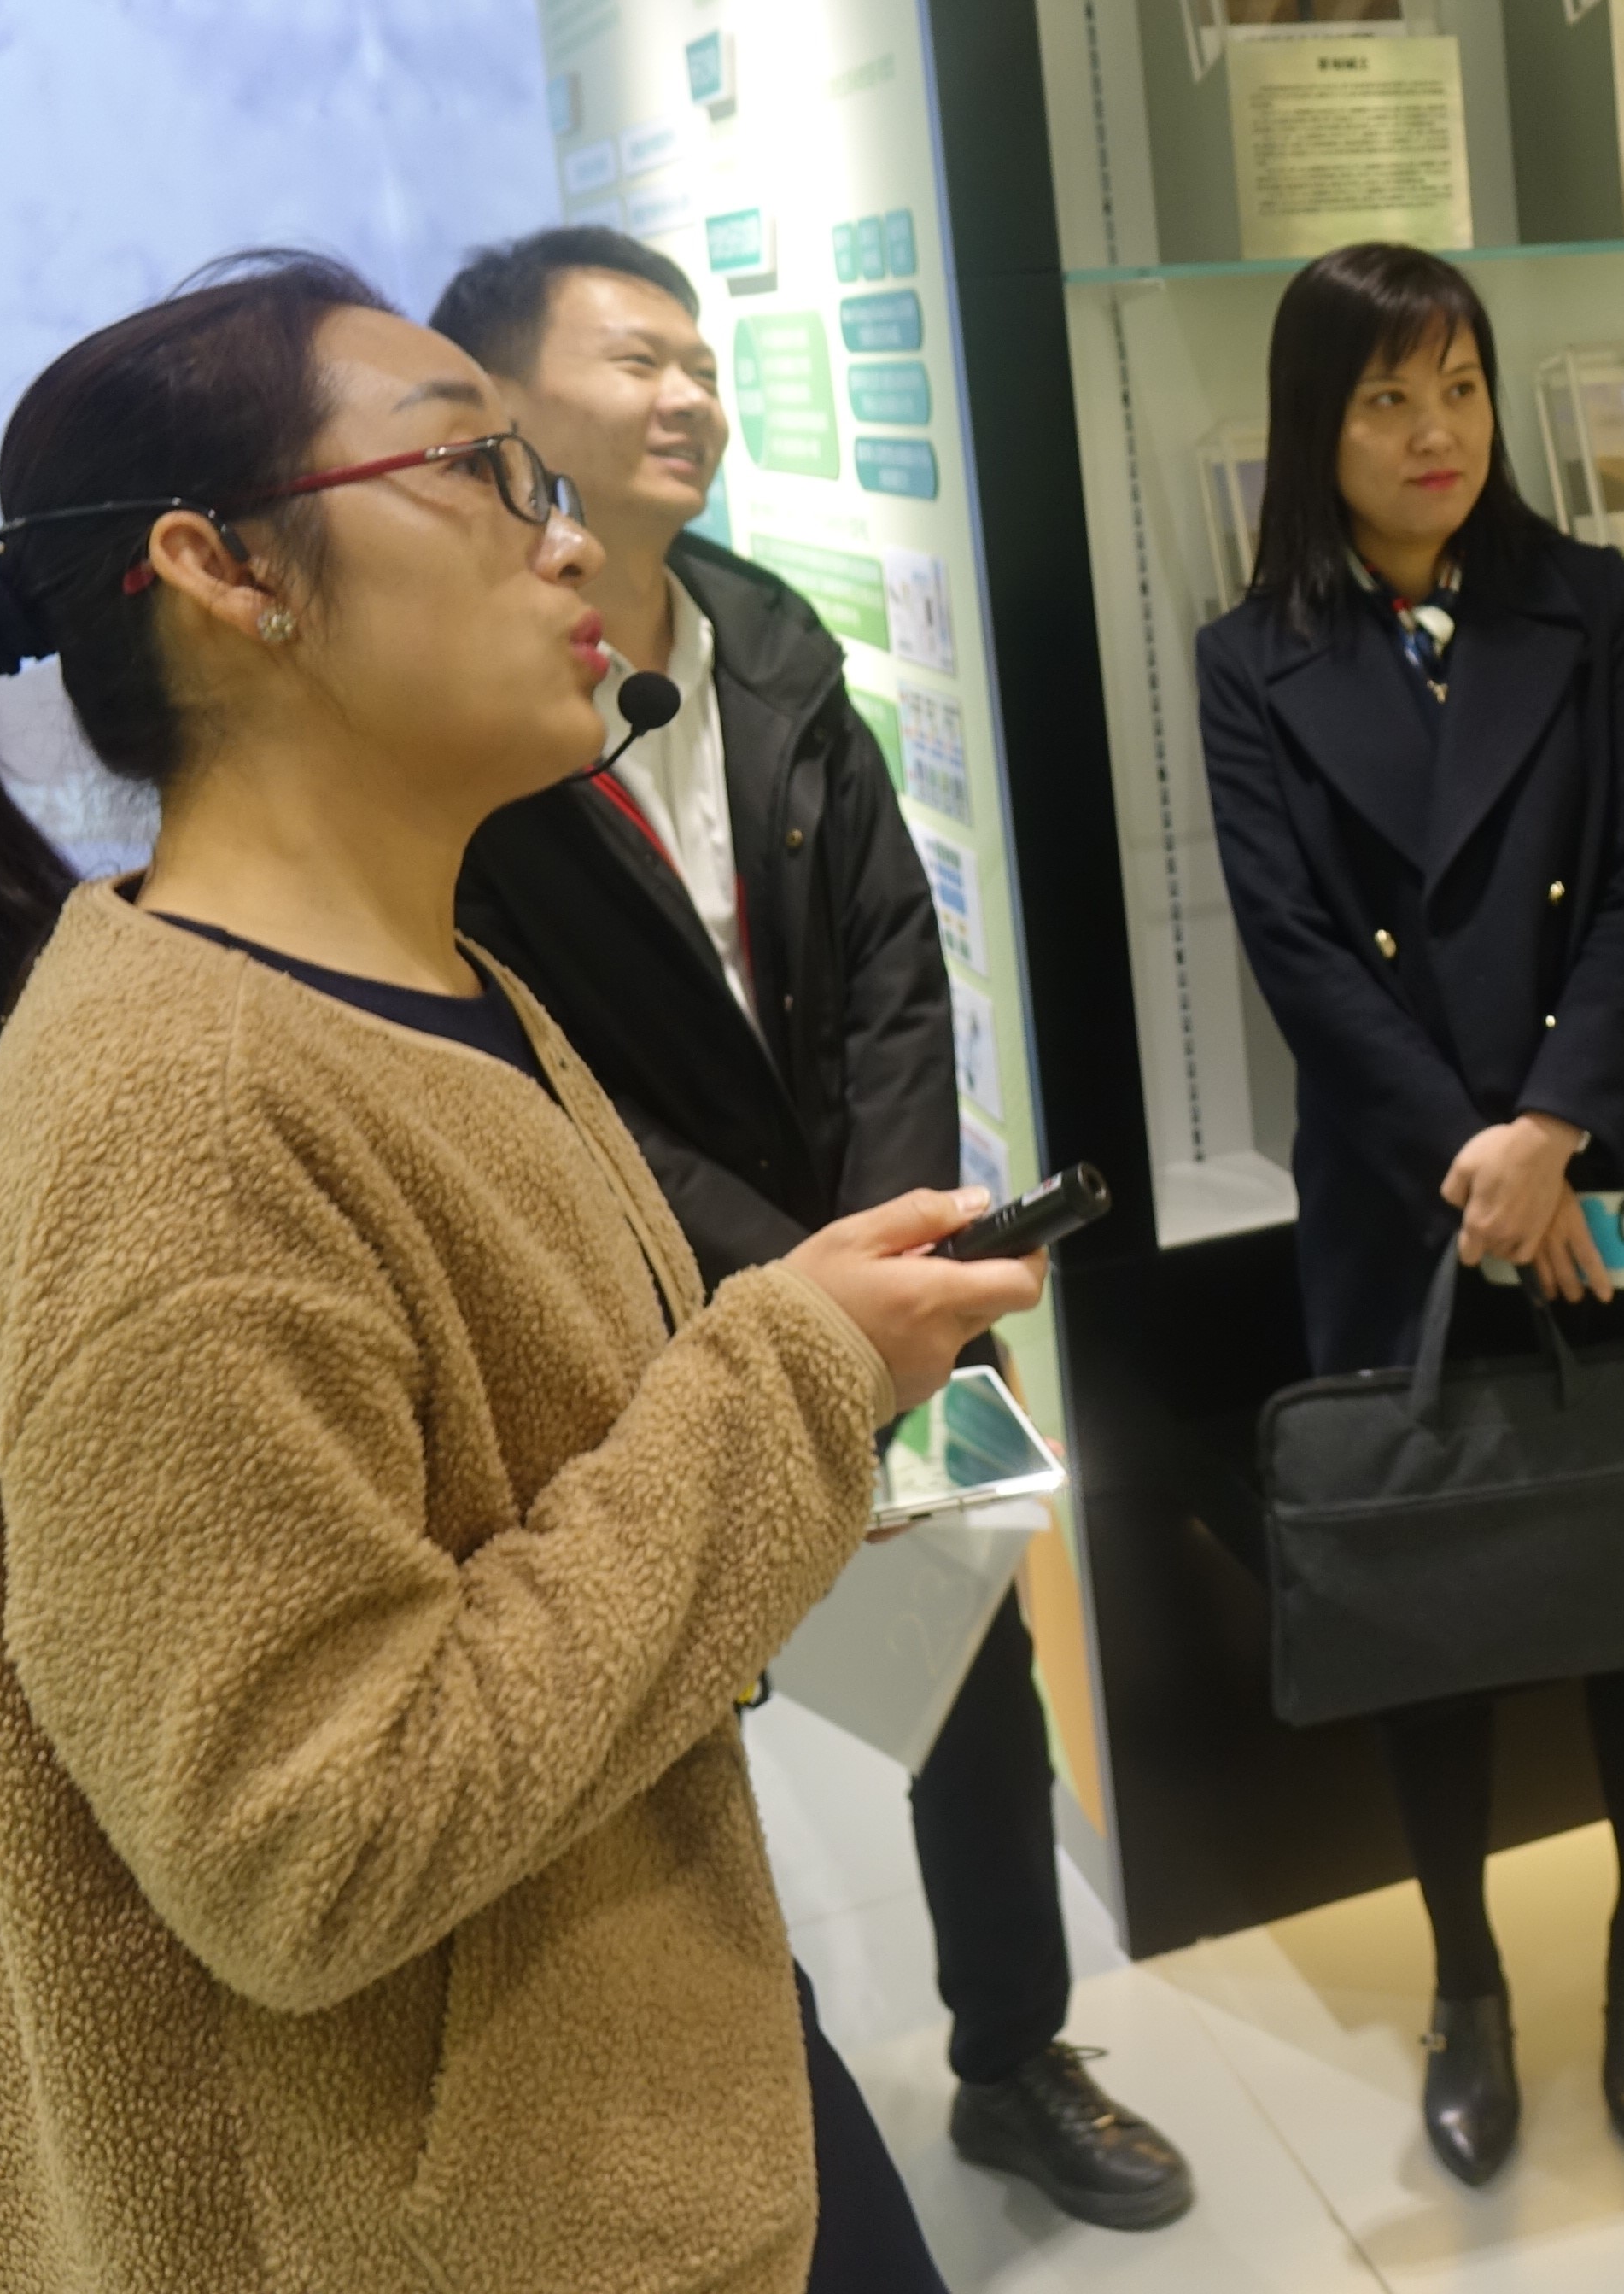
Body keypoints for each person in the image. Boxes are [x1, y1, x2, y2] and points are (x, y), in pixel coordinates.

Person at [0, 253, 1050, 2293]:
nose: (562, 533)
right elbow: (315, 1843)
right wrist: (791, 1377)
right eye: (482, 471)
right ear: (226, 570)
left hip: (633, 2068)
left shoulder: (421, 978)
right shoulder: (189, 1126)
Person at [430, 227, 1193, 2229]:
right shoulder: (475, 709)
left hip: (877, 1277)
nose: (688, 395)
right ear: (501, 407)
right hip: (637, 1316)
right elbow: (533, 1057)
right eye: (636, 360)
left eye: (701, 359)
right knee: (669, 1731)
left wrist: (899, 1254)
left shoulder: (770, 647)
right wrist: (785, 1283)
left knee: (968, 1673)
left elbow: (891, 972)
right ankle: (748, 2118)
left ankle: (1016, 2058)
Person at [1190, 242, 1624, 2187]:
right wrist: (1475, 1160)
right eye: (1387, 398)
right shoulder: (1248, 658)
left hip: (1605, 1153)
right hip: (1404, 1189)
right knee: (1430, 1587)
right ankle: (1465, 1975)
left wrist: (1550, 1128)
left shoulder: (1593, 603)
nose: (1433, 432)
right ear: (1317, 425)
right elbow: (1300, 955)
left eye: (1459, 387)